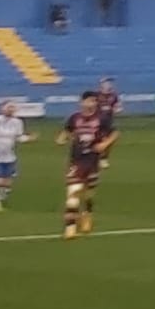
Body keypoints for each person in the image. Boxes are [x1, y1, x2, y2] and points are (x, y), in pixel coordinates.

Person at [56, 90, 118, 238]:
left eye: (95, 101)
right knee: (74, 191)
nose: (93, 104)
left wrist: (105, 144)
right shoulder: (75, 118)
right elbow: (67, 130)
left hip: (93, 160)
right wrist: (61, 138)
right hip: (76, 161)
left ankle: (87, 213)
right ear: (82, 102)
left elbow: (115, 133)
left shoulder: (102, 119)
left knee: (89, 193)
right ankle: (70, 228)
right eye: (90, 101)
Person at [96, 76, 123, 168]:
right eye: (107, 82)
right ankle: (98, 158)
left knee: (109, 140)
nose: (110, 84)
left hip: (109, 121)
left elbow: (118, 106)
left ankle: (103, 158)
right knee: (98, 139)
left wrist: (117, 109)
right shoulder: (96, 95)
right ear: (102, 84)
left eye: (110, 83)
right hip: (97, 121)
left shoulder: (114, 95)